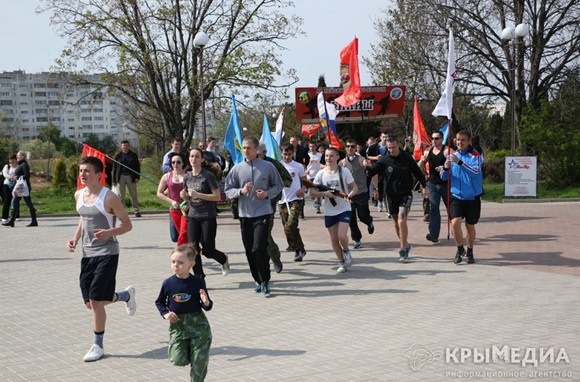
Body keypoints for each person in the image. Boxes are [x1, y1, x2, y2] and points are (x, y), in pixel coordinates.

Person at [66, 156, 136, 362]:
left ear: (98, 174)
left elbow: (127, 224)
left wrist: (109, 232)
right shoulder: (78, 194)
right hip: (87, 255)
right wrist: (75, 239)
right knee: (91, 303)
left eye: (87, 171)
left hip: (107, 252)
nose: (82, 174)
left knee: (96, 300)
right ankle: (125, 296)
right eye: (80, 171)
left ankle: (98, 346)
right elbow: (83, 218)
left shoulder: (110, 197)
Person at [224, 136, 283, 296]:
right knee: (249, 249)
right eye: (244, 148)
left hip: (263, 213)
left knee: (259, 248)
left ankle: (265, 280)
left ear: (256, 150)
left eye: (249, 148)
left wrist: (267, 194)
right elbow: (228, 189)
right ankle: (257, 280)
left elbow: (279, 185)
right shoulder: (237, 168)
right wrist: (240, 191)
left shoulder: (267, 166)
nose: (246, 150)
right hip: (245, 215)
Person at [364, 136, 428, 262]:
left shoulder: (406, 158)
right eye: (389, 148)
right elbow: (371, 172)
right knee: (396, 222)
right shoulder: (384, 160)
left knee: (401, 220)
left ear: (398, 145)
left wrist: (424, 186)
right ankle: (405, 243)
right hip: (390, 195)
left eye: (393, 147)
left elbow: (418, 173)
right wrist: (366, 166)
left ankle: (403, 249)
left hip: (405, 193)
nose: (391, 150)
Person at [155, 244, 212, 382]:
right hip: (178, 325)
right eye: (173, 262)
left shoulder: (197, 282)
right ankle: (188, 351)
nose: (176, 265)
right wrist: (165, 314)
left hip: (198, 325)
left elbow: (208, 306)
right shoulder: (168, 283)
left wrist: (206, 302)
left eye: (180, 263)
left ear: (190, 264)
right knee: (178, 359)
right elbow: (159, 302)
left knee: (199, 361)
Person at [181, 148, 230, 278]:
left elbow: (217, 196)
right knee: (193, 249)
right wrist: (184, 196)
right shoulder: (187, 177)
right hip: (192, 216)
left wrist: (198, 194)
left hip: (208, 216)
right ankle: (199, 277)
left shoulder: (208, 176)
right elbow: (188, 197)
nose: (194, 159)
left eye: (197, 156)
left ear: (202, 159)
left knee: (208, 250)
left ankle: (223, 259)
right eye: (191, 156)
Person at [310, 147, 357, 273]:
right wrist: (325, 193)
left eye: (331, 156)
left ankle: (346, 250)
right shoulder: (321, 173)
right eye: (326, 156)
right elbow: (312, 192)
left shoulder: (344, 171)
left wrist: (349, 195)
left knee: (342, 235)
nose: (328, 158)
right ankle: (342, 262)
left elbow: (354, 187)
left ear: (337, 157)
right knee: (334, 239)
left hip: (344, 208)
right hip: (330, 210)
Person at [440, 130, 483, 264]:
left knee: (470, 226)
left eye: (463, 140)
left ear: (469, 141)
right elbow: (443, 177)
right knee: (455, 223)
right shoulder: (452, 156)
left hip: (472, 197)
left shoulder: (475, 156)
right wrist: (445, 168)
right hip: (456, 196)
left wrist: (459, 163)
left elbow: (475, 171)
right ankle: (459, 249)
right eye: (458, 140)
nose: (460, 143)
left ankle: (470, 251)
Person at [257, 143, 292, 273]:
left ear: (264, 152)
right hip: (251, 206)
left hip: (268, 205)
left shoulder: (273, 165)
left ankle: (274, 256)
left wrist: (272, 190)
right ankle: (261, 264)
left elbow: (288, 180)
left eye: (258, 152)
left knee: (265, 234)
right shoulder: (247, 163)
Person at [339, 138, 374, 249]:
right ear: (345, 148)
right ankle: (357, 239)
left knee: (363, 215)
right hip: (348, 194)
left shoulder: (361, 159)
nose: (350, 148)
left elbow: (372, 170)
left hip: (361, 192)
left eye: (352, 146)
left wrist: (367, 165)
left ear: (356, 148)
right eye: (348, 146)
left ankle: (369, 221)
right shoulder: (342, 163)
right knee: (351, 217)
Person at [419, 130, 450, 243]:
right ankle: (433, 234)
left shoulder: (447, 151)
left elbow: (456, 164)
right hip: (432, 183)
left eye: (437, 138)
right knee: (433, 208)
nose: (434, 141)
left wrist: (444, 167)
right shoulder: (428, 151)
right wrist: (422, 161)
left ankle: (456, 228)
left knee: (451, 208)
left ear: (442, 139)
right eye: (432, 138)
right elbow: (419, 169)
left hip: (445, 183)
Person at [280, 143, 308, 262]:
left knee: (290, 225)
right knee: (289, 227)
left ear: (293, 154)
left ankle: (297, 249)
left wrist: (303, 190)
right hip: (283, 200)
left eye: (289, 154)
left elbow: (305, 181)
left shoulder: (298, 166)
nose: (287, 157)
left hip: (296, 199)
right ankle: (300, 247)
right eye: (285, 154)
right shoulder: (278, 166)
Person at [157, 152, 189, 245]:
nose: (175, 164)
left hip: (187, 210)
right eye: (173, 162)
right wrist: (171, 201)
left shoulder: (189, 175)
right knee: (175, 237)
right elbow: (159, 193)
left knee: (184, 234)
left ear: (183, 163)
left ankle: (183, 255)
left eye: (178, 162)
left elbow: (195, 193)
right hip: (174, 210)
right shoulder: (167, 176)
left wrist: (188, 202)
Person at [2, 151, 38, 227]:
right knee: (19, 202)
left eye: (20, 156)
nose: (18, 157)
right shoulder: (20, 164)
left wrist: (17, 177)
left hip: (23, 187)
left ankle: (13, 221)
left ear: (23, 157)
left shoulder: (24, 165)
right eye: (17, 156)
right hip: (20, 187)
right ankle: (13, 221)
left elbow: (27, 176)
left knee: (17, 202)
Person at [112, 140, 141, 217]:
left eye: (126, 145)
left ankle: (136, 210)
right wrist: (114, 179)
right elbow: (114, 168)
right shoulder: (117, 156)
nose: (125, 147)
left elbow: (137, 166)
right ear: (121, 146)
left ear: (129, 146)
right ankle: (122, 211)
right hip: (120, 176)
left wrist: (137, 177)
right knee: (121, 195)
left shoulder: (133, 155)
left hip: (131, 177)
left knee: (133, 194)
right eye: (123, 145)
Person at [366, 132, 390, 213]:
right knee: (379, 186)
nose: (385, 138)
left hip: (387, 169)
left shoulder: (390, 146)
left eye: (387, 137)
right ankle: (379, 201)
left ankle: (388, 208)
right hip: (376, 169)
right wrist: (376, 157)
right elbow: (367, 156)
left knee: (386, 187)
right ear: (380, 137)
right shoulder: (374, 146)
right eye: (384, 137)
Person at [306, 141, 323, 214]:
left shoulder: (320, 155)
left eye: (313, 146)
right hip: (309, 176)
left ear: (316, 147)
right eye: (310, 146)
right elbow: (303, 164)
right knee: (311, 192)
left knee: (318, 192)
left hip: (318, 175)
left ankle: (317, 206)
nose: (312, 148)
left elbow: (322, 163)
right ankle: (313, 197)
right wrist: (305, 170)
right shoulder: (307, 154)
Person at [2, 154, 18, 223]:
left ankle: (16, 216)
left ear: (16, 160)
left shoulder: (18, 167)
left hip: (16, 185)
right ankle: (4, 217)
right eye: (10, 159)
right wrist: (12, 177)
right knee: (7, 200)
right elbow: (5, 174)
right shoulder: (7, 166)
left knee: (15, 200)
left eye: (12, 159)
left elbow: (20, 174)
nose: (11, 161)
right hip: (7, 185)